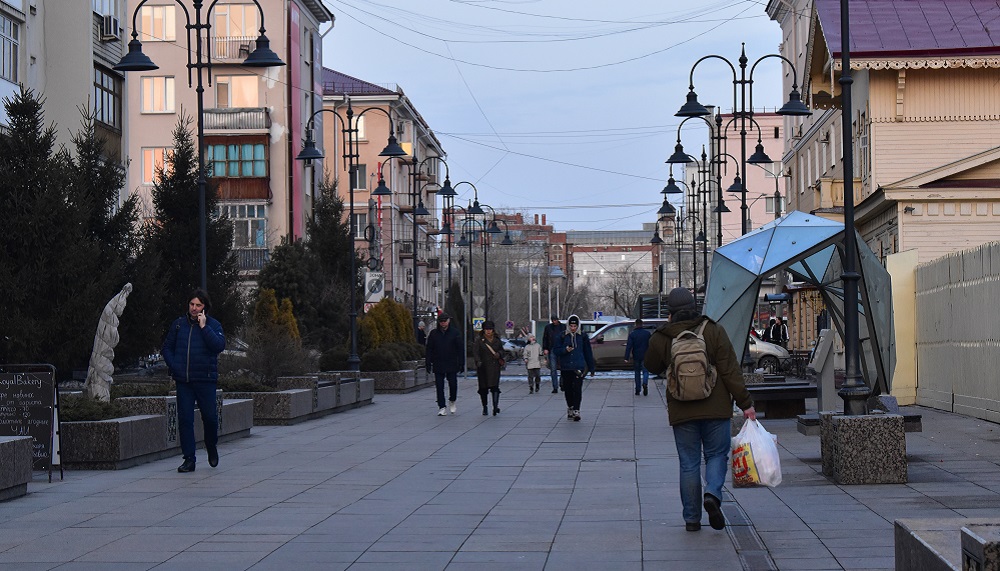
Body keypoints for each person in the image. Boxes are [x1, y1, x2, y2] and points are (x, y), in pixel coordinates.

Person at [644, 287, 756, 532]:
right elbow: (730, 371)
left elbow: (651, 365)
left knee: (689, 463)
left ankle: (692, 519)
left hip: (682, 409)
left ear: (670, 312)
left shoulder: (663, 336)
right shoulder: (713, 330)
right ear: (696, 307)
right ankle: (712, 495)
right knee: (716, 455)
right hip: (716, 408)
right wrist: (745, 403)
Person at [162, 289, 226, 473]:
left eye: (198, 305)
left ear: (204, 307)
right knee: (185, 419)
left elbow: (218, 346)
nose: (194, 308)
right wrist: (175, 366)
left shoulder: (213, 325)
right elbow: (166, 348)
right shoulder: (179, 325)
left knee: (210, 418)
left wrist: (204, 327)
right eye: (192, 304)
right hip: (184, 381)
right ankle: (189, 458)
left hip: (205, 380)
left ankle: (211, 446)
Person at [554, 314, 595, 421]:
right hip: (566, 366)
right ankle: (570, 407)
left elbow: (588, 352)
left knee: (577, 389)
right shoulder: (562, 336)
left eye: (575, 326)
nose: (573, 328)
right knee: (568, 389)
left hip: (578, 366)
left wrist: (591, 367)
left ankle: (577, 409)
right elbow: (556, 350)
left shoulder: (583, 336)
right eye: (571, 326)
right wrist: (565, 350)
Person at [425, 313, 463, 416]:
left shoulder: (455, 333)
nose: (443, 323)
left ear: (448, 321)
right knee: (439, 386)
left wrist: (461, 363)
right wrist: (428, 362)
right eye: (441, 321)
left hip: (451, 362)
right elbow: (429, 349)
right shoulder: (434, 334)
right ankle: (442, 406)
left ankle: (452, 400)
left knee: (453, 384)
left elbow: (460, 349)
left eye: (445, 321)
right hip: (438, 362)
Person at [473, 320, 504, 416]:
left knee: (495, 387)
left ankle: (495, 406)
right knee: (483, 389)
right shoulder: (479, 340)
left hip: (495, 367)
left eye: (490, 329)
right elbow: (476, 352)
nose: (488, 331)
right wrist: (478, 361)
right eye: (486, 329)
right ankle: (485, 407)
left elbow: (502, 350)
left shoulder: (497, 340)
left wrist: (499, 354)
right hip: (483, 367)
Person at [624, 319, 652, 396]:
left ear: (635, 324)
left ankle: (638, 389)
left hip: (636, 356)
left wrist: (626, 357)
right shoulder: (647, 333)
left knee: (637, 372)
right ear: (642, 324)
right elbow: (651, 345)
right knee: (645, 371)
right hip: (645, 355)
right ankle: (645, 383)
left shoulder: (632, 334)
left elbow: (629, 346)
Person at [542, 315, 565, 394]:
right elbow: (545, 338)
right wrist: (545, 348)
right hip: (552, 349)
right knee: (553, 369)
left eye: (555, 320)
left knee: (563, 368)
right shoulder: (548, 327)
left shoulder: (563, 327)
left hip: (561, 349)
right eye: (553, 320)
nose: (554, 321)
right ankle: (555, 387)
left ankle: (562, 384)